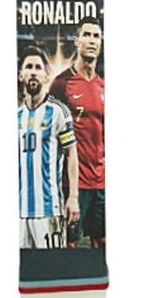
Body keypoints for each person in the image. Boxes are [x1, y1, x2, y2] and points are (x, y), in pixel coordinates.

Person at [50, 17, 105, 248]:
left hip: (101, 182)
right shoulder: (61, 84)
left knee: (102, 243)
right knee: (69, 244)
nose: (92, 40)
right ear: (76, 40)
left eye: (96, 36)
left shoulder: (103, 86)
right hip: (73, 184)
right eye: (87, 35)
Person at [18, 46, 80, 249]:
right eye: (29, 67)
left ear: (45, 76)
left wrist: (73, 197)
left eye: (38, 68)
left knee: (52, 264)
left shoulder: (59, 112)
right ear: (21, 75)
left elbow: (71, 153)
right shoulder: (16, 116)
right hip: (19, 212)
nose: (33, 72)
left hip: (49, 210)